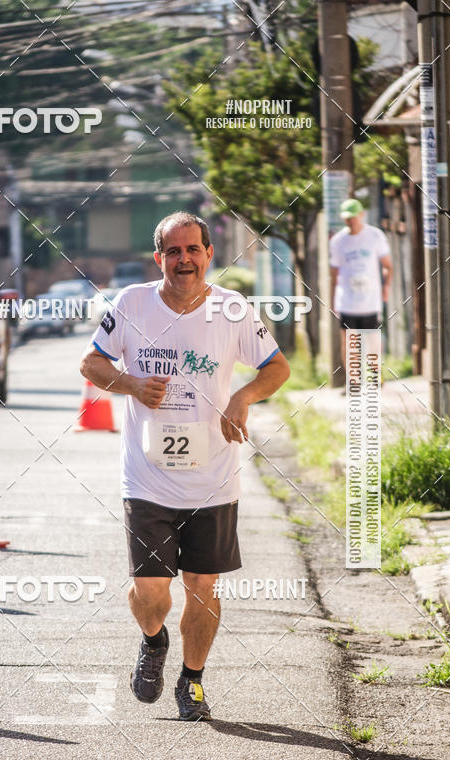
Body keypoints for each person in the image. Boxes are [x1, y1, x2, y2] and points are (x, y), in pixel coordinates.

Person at [79, 211, 290, 721]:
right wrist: (131, 384)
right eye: (173, 251)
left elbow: (276, 368)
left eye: (192, 249)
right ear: (159, 259)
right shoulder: (131, 304)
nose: (184, 259)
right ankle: (153, 642)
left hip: (214, 478)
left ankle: (192, 680)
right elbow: (92, 363)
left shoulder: (233, 311)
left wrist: (242, 397)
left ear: (209, 254)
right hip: (147, 477)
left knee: (203, 586)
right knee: (151, 593)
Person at [329, 198, 392, 373]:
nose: (351, 221)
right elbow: (334, 274)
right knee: (349, 342)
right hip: (347, 300)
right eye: (347, 218)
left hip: (370, 300)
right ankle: (353, 382)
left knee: (373, 339)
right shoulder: (337, 241)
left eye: (354, 217)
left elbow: (388, 266)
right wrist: (334, 300)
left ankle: (375, 376)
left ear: (362, 215)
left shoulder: (375, 235)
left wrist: (386, 288)